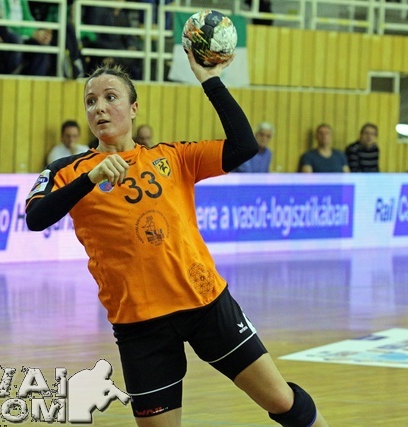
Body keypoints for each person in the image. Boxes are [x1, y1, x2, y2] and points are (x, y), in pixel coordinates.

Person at [26, 53, 329, 427]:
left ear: (134, 108)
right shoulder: (68, 171)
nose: (99, 108)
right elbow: (36, 218)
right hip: (139, 323)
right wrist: (91, 178)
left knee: (280, 399)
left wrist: (210, 80)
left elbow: (244, 146)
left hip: (205, 304)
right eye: (91, 101)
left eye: (110, 97)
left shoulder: (172, 156)